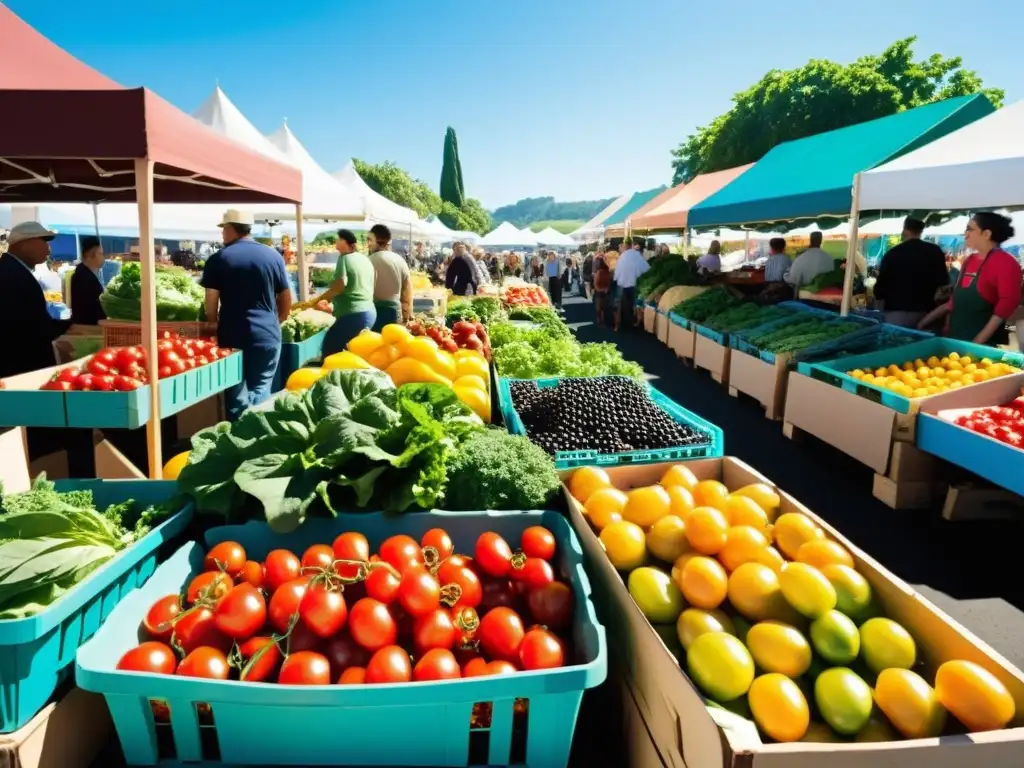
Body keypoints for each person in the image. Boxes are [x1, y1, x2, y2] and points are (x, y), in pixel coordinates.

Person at [201, 209, 292, 420]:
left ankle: (236, 438)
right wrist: (276, 320)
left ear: (231, 228)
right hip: (267, 334)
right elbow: (286, 297)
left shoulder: (218, 258)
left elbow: (211, 299)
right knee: (261, 388)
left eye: (223, 229)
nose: (222, 234)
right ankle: (258, 436)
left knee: (235, 390)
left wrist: (212, 323)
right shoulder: (273, 256)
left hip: (233, 335)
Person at [918, 212, 1021, 345]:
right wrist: (923, 323)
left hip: (981, 348)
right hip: (953, 339)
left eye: (970, 229)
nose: (965, 234)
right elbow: (953, 303)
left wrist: (976, 342)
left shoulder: (1006, 263)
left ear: (986, 234)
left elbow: (1006, 307)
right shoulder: (969, 260)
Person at [0, 221, 72, 378]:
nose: (48, 248)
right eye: (44, 241)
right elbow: (31, 327)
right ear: (25, 244)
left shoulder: (14, 270)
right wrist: (68, 326)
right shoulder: (12, 275)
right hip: (19, 369)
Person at [304, 228, 377, 356]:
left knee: (329, 349)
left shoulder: (345, 259)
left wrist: (317, 300)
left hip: (353, 315)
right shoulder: (365, 259)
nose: (336, 245)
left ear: (349, 244)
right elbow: (368, 282)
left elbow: (339, 286)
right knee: (353, 353)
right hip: (369, 312)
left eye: (339, 240)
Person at [872, 217, 949, 328]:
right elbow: (944, 282)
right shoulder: (935, 251)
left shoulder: (892, 254)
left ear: (905, 229)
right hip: (929, 313)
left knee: (899, 343)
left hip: (897, 313)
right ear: (921, 231)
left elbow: (880, 289)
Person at [366, 224, 412, 331]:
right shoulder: (400, 260)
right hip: (395, 313)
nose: (368, 245)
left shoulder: (368, 261)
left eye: (369, 241)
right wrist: (407, 316)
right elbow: (407, 291)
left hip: (373, 313)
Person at [70, 236, 107, 326]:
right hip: (88, 328)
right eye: (100, 254)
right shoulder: (84, 278)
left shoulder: (83, 273)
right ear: (90, 254)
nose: (103, 258)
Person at [614, 238, 649, 331]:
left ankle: (617, 325)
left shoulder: (622, 256)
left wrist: (616, 278)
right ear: (632, 244)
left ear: (625, 245)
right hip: (634, 284)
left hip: (622, 284)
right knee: (632, 304)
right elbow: (646, 269)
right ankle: (632, 323)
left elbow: (617, 271)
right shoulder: (636, 255)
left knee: (619, 305)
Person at [593, 256, 612, 327]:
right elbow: (596, 285)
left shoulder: (608, 272)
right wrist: (603, 289)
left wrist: (607, 288)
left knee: (604, 308)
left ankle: (603, 321)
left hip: (605, 292)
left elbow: (609, 282)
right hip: (600, 293)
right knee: (600, 308)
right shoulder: (599, 273)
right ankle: (600, 320)